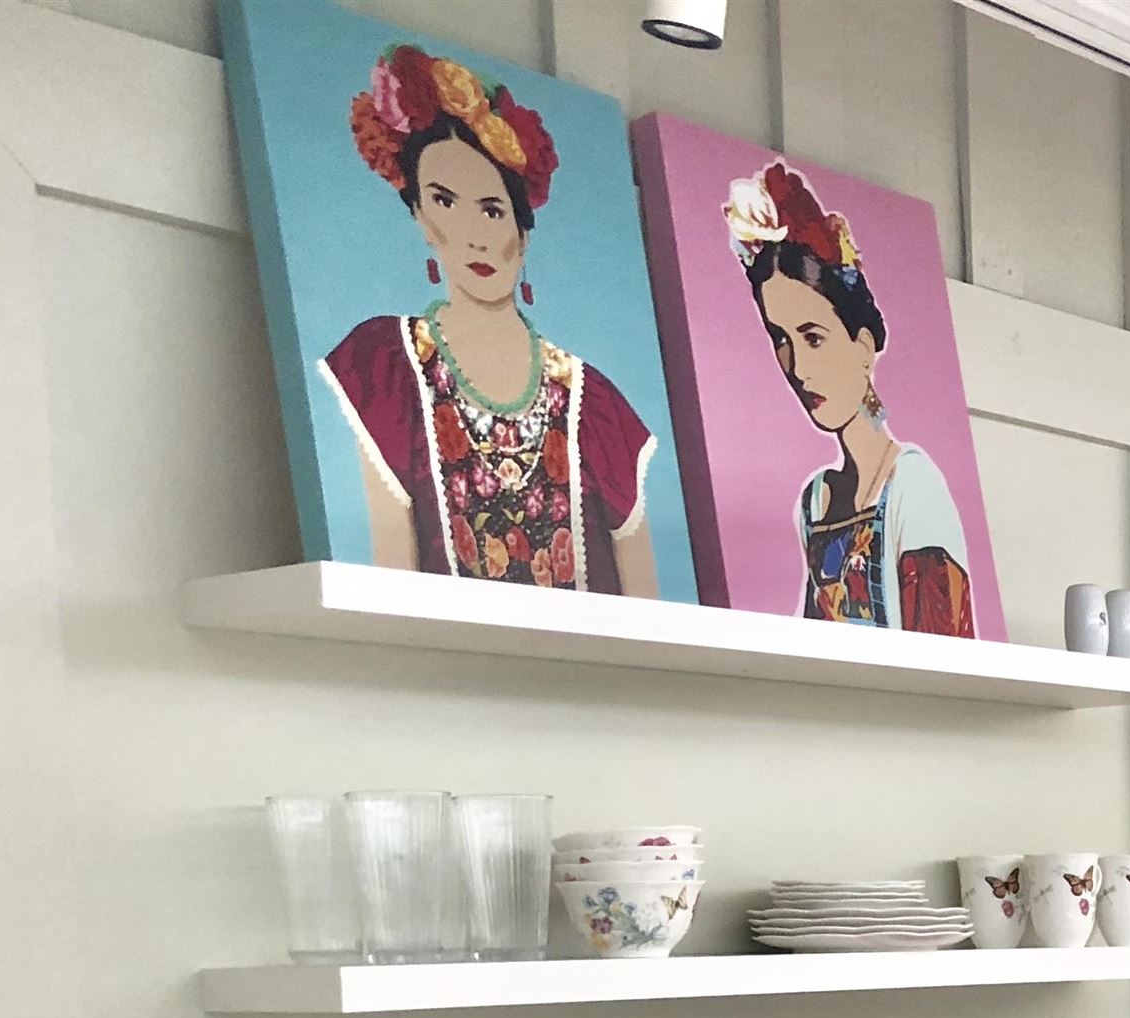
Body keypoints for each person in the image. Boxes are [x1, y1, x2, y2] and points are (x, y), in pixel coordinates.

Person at [320, 44, 662, 595]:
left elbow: (652, 616)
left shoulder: (594, 404)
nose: (475, 233)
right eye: (445, 200)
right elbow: (392, 588)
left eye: (492, 208)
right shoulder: (387, 367)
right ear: (422, 218)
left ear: (522, 234)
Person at [725, 160, 976, 633]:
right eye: (781, 340)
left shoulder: (913, 487)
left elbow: (946, 657)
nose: (797, 367)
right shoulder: (815, 501)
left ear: (862, 347)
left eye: (813, 337)